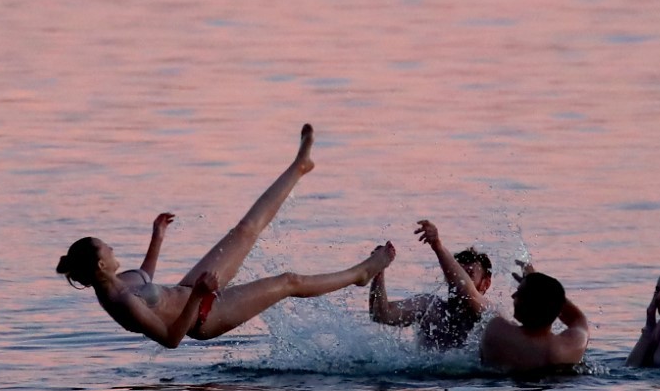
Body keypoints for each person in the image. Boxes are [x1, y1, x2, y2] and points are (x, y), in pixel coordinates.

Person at [56, 124, 395, 348]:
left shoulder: (122, 282)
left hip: (192, 290)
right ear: (102, 264)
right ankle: (360, 273)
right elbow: (172, 339)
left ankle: (299, 167)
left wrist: (157, 238)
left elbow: (147, 276)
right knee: (289, 281)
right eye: (108, 248)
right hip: (204, 317)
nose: (114, 248)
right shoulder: (123, 304)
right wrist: (199, 295)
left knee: (244, 230)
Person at [369, 220, 492, 350]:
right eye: (456, 274)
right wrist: (378, 270)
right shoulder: (431, 308)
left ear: (485, 284)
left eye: (469, 275)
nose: (459, 280)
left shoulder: (490, 316)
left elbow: (468, 292)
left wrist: (437, 246)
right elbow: (381, 315)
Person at [479, 261, 589, 372]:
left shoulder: (497, 331)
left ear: (527, 304)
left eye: (519, 292)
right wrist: (540, 287)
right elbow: (578, 318)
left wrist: (533, 281)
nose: (513, 296)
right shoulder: (567, 348)